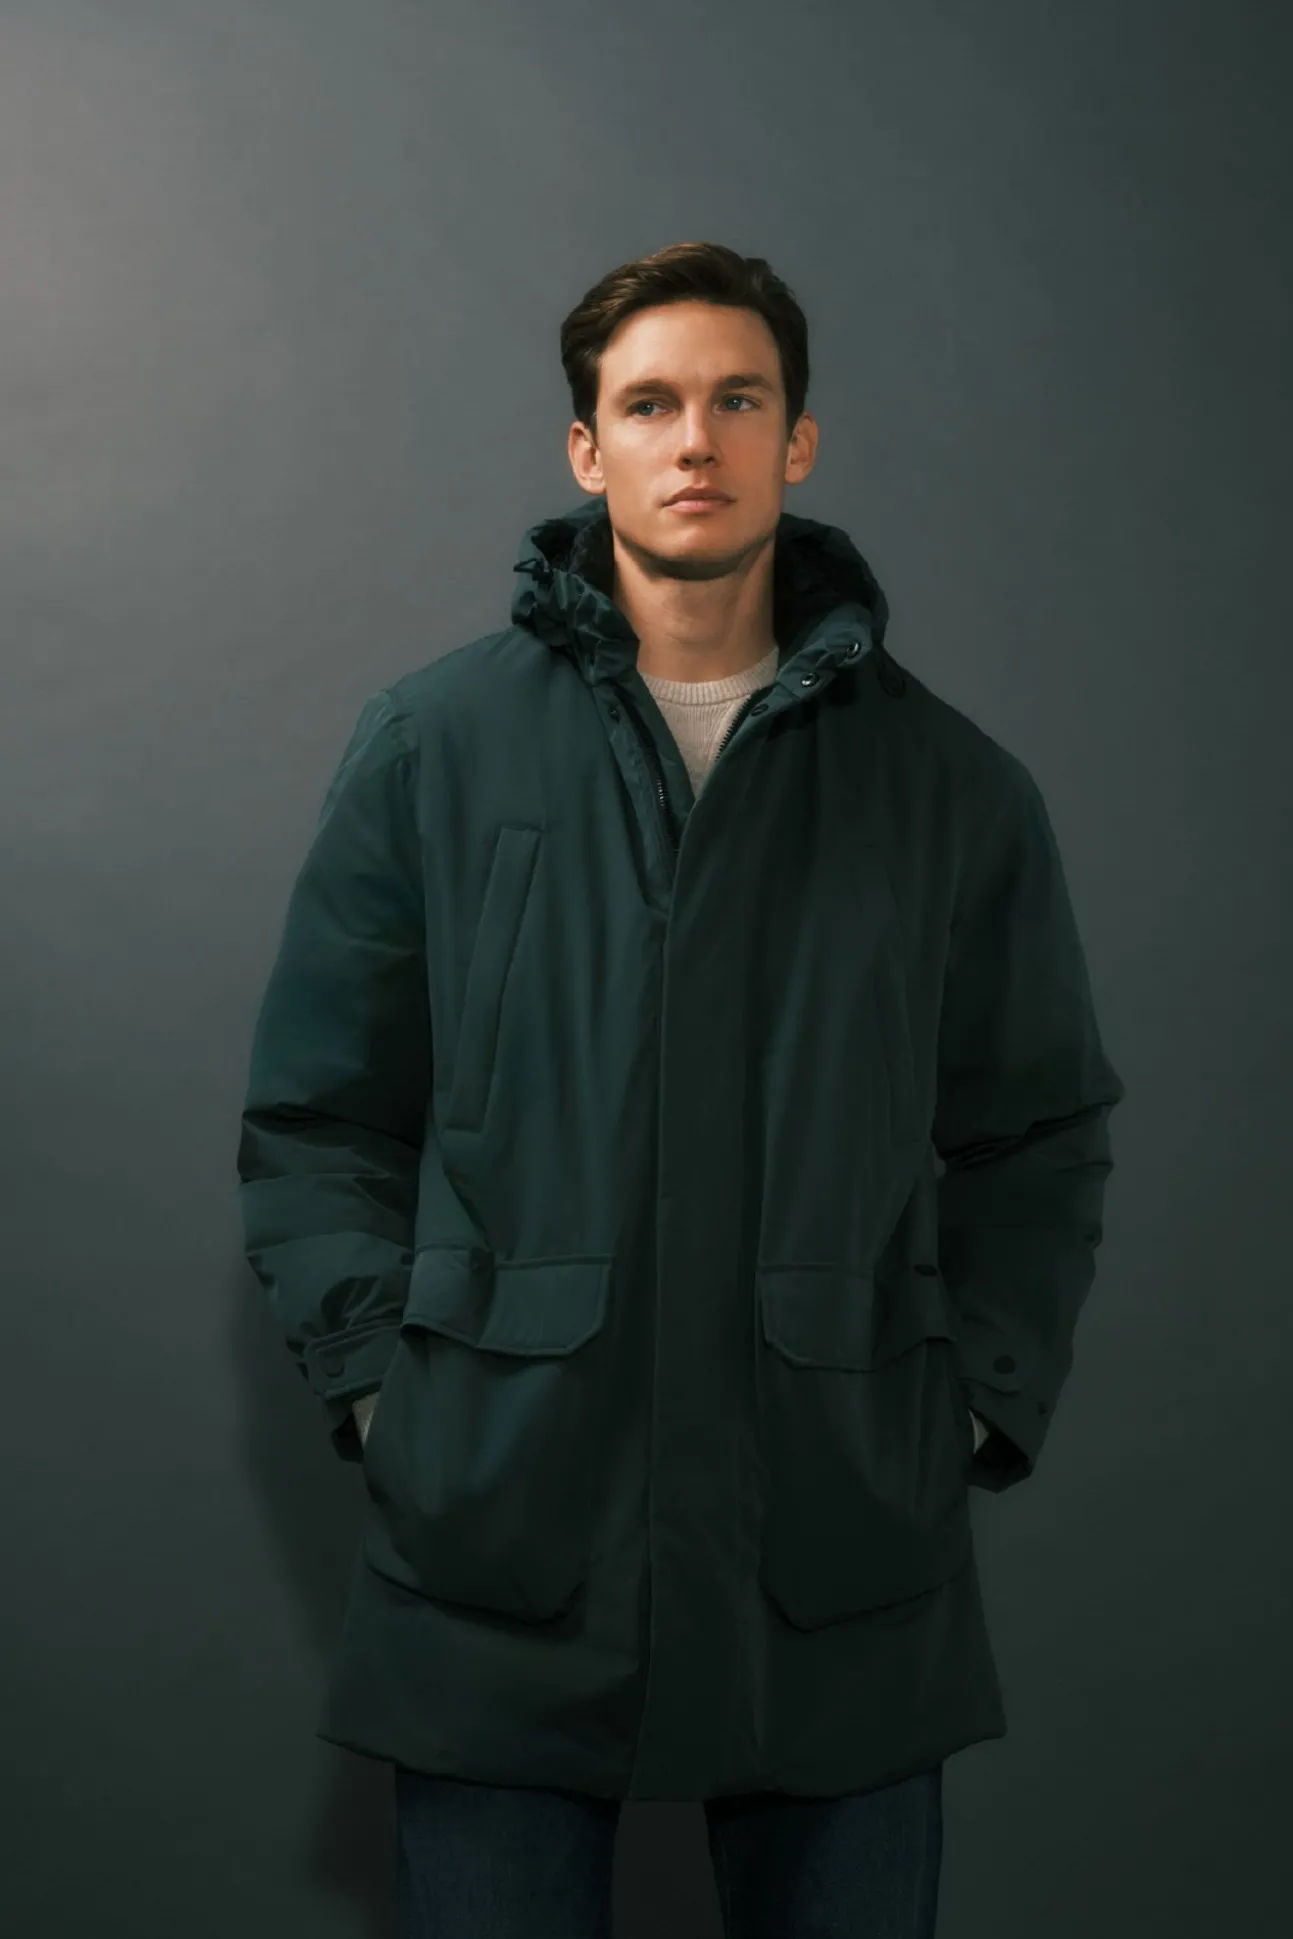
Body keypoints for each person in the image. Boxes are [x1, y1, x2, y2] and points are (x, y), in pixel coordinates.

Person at [237, 240, 1125, 1937]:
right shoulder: (434, 749)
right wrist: (383, 1394)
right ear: (588, 448)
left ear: (800, 440)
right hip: (498, 1533)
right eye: (649, 404)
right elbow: (318, 1114)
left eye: (738, 399)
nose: (694, 438)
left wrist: (966, 1400)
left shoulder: (947, 786)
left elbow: (1037, 1130)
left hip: (838, 1543)